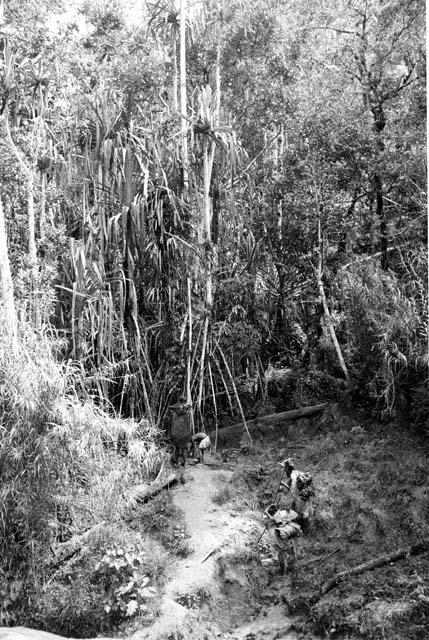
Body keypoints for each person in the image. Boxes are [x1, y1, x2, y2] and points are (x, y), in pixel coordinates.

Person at [169, 396, 192, 466]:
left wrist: (176, 406)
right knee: (184, 449)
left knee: (177, 448)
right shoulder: (187, 408)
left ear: (179, 400)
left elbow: (170, 407)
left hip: (175, 432)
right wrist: (184, 406)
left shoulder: (175, 408)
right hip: (184, 432)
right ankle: (185, 463)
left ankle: (176, 462)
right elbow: (190, 406)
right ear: (185, 401)